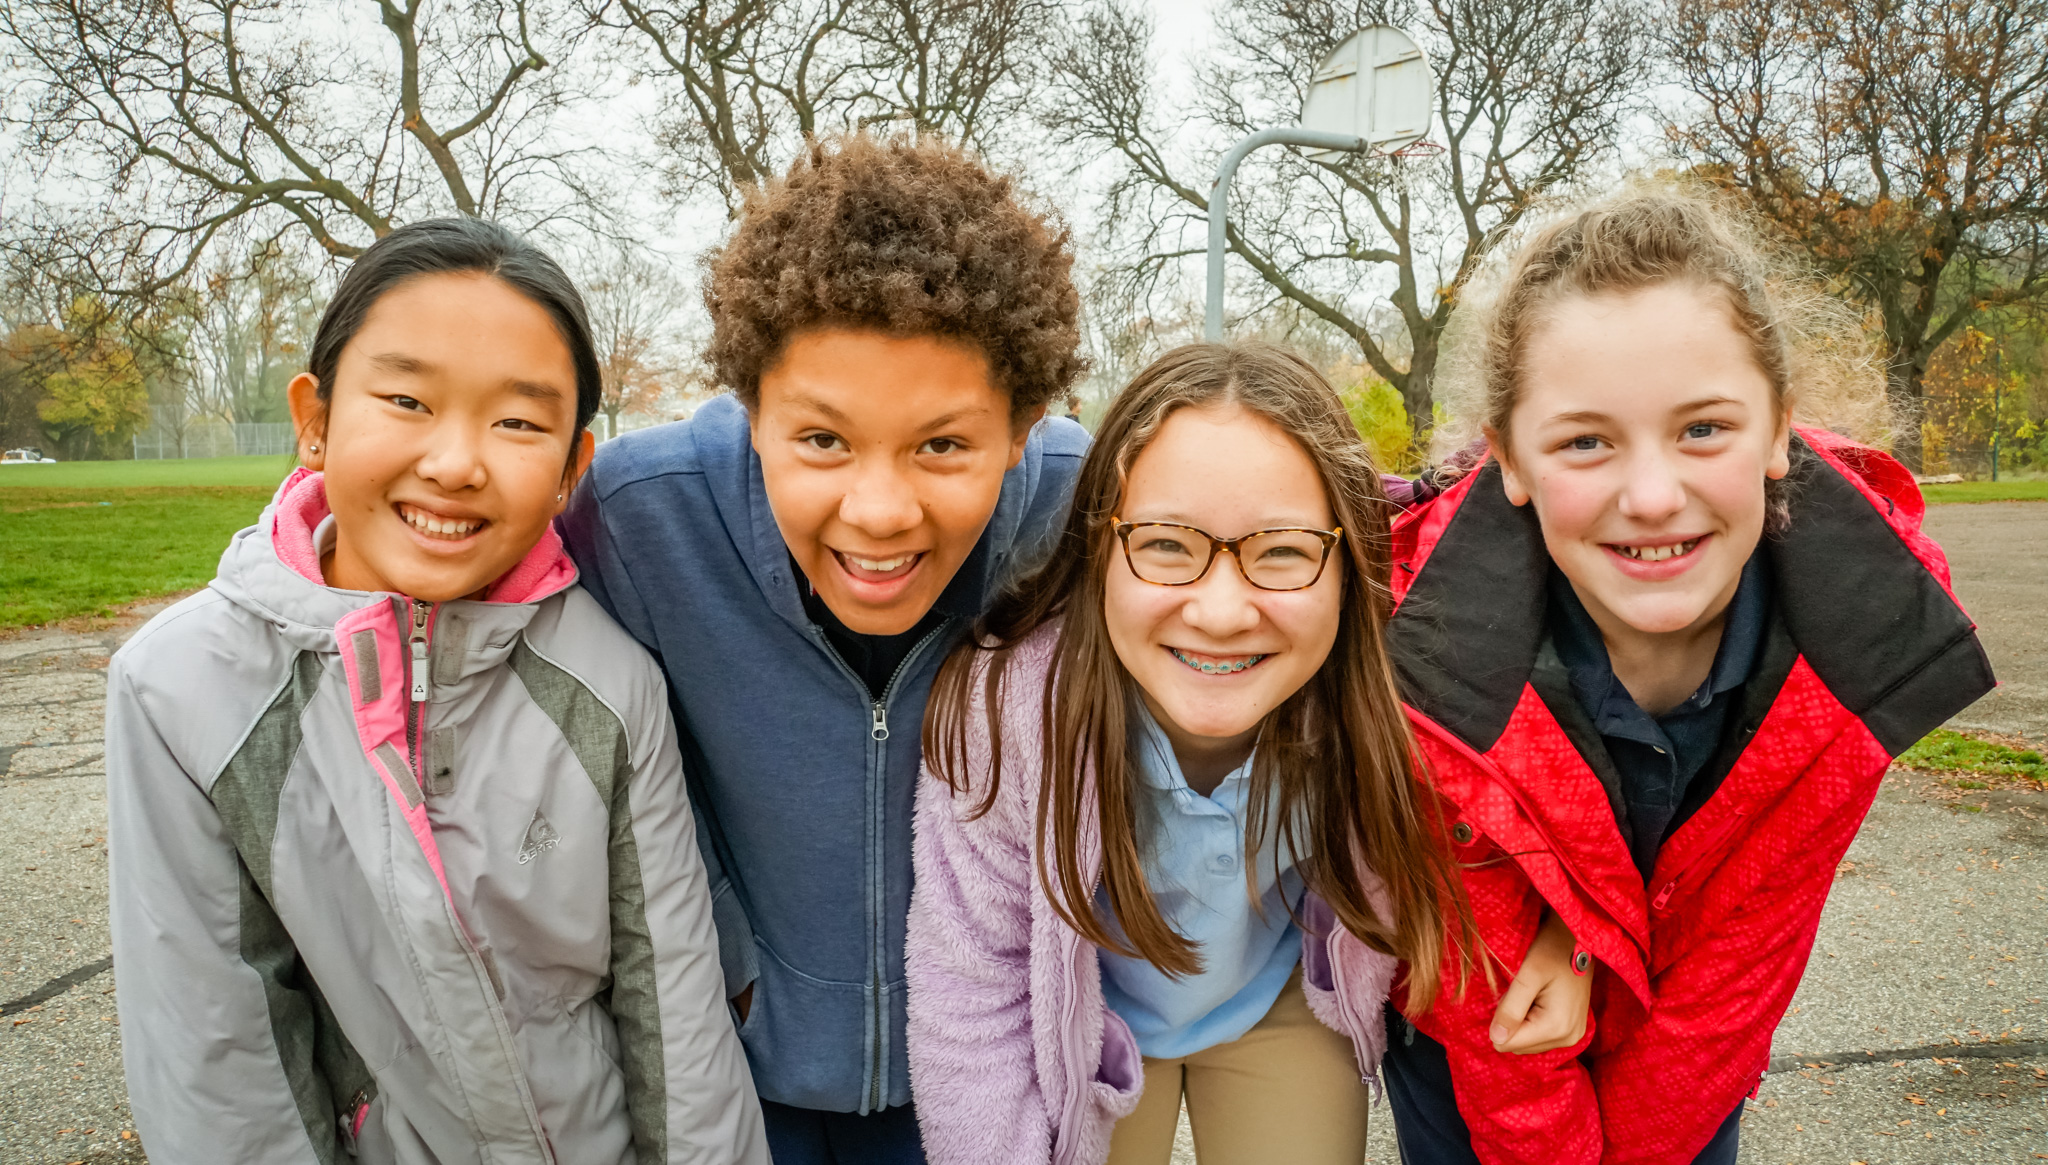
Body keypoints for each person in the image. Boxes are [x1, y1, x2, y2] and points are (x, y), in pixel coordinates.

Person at [105, 217, 767, 1164]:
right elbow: (219, 1054)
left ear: (572, 468)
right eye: (408, 400)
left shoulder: (609, 678)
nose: (456, 462)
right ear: (316, 419)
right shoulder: (179, 692)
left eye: (518, 422)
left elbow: (677, 1015)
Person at [1377, 186, 1997, 1164]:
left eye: (1702, 428)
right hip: (1477, 1046)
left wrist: (1582, 944)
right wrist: (1570, 940)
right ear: (1508, 462)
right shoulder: (1428, 650)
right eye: (1584, 440)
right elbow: (1492, 1012)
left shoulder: (1853, 639)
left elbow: (1735, 975)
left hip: (1686, 1034)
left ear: (1776, 430)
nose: (1653, 496)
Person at [905, 343, 1589, 1165]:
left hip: (1281, 1001)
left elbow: (1536, 826)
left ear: (1347, 566)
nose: (1223, 611)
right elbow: (969, 993)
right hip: (1090, 1011)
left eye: (1284, 551)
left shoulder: (1393, 697)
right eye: (1164, 544)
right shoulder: (1006, 714)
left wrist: (1571, 934)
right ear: (1099, 551)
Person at [557, 134, 1089, 1163]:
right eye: (822, 440)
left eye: (942, 444)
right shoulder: (638, 517)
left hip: (977, 1075)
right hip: (738, 1073)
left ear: (1022, 425)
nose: (878, 510)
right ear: (752, 408)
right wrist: (733, 959)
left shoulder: (1080, 510)